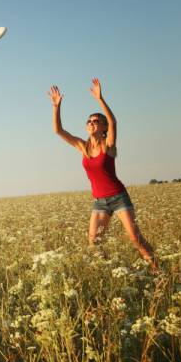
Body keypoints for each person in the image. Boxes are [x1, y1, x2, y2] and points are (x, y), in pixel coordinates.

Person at [48, 78, 157, 270]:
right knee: (94, 243)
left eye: (96, 121)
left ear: (103, 127)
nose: (91, 123)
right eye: (89, 121)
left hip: (118, 197)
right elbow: (58, 130)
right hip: (99, 202)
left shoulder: (108, 146)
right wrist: (56, 106)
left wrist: (100, 98)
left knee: (135, 238)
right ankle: (113, 270)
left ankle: (159, 271)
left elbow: (114, 122)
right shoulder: (83, 146)